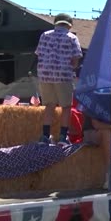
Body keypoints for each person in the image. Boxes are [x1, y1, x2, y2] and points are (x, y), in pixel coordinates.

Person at [35, 13, 83, 146]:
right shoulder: (72, 37)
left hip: (45, 75)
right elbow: (75, 59)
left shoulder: (44, 35)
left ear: (55, 23)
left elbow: (39, 54)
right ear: (69, 25)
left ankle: (45, 136)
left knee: (49, 105)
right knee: (66, 107)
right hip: (63, 75)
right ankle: (62, 137)